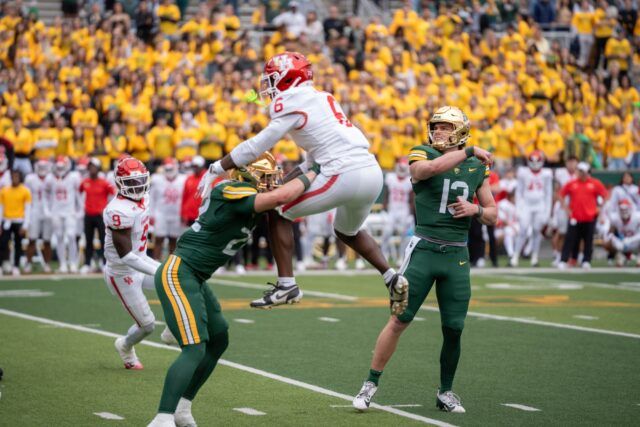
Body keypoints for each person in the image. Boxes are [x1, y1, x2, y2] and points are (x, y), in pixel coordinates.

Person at [197, 52, 408, 312]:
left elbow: (257, 145)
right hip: (371, 172)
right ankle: (391, 277)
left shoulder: (290, 101)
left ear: (288, 79)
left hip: (343, 171)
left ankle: (287, 285)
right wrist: (285, 183)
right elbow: (311, 161)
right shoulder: (323, 98)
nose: (268, 86)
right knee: (347, 231)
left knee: (277, 210)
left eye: (273, 79)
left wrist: (218, 166)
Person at [146, 153, 319, 427]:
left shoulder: (249, 194)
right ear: (246, 174)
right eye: (264, 176)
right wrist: (314, 173)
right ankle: (162, 418)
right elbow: (278, 197)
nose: (269, 182)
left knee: (218, 340)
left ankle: (182, 406)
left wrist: (308, 165)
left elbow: (282, 193)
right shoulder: (230, 189)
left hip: (196, 277)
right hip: (179, 272)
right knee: (194, 348)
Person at [352, 106, 496, 414]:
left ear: (459, 130)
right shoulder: (422, 152)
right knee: (399, 319)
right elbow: (422, 172)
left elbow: (493, 213)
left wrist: (477, 211)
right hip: (424, 250)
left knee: (454, 327)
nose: (439, 132)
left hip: (457, 254)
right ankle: (370, 383)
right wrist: (469, 150)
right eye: (437, 126)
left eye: (445, 127)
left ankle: (446, 392)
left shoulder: (476, 166)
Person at [103, 157, 175, 370]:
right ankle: (125, 345)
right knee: (147, 325)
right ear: (119, 183)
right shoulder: (117, 210)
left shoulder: (144, 196)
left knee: (174, 282)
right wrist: (159, 269)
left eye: (140, 181)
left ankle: (172, 329)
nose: (137, 187)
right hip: (122, 272)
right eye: (131, 183)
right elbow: (126, 256)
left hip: (141, 260)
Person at [558, 162, 608, 269]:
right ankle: (564, 259)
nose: (580, 173)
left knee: (588, 240)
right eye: (579, 171)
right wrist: (566, 209)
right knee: (570, 239)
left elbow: (605, 195)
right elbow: (561, 194)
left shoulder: (595, 183)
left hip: (589, 217)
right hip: (575, 217)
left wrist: (599, 208)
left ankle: (586, 260)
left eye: (582, 171)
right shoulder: (572, 183)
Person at [510, 150, 553, 267]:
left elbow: (548, 193)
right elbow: (519, 191)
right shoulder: (523, 172)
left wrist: (547, 212)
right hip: (526, 204)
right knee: (523, 230)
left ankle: (534, 257)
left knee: (537, 231)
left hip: (540, 205)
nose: (534, 164)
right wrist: (518, 208)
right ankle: (515, 256)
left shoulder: (547, 173)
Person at [79, 157, 116, 273]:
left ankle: (105, 263)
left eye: (94, 167)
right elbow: (78, 194)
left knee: (103, 240)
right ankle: (87, 263)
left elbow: (115, 194)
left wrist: (107, 209)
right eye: (90, 167)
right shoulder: (85, 182)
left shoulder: (104, 183)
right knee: (88, 240)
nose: (92, 169)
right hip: (88, 215)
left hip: (100, 216)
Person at [46, 156, 82, 273]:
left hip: (69, 211)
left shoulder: (73, 177)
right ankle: (62, 263)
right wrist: (48, 210)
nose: (60, 169)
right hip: (56, 211)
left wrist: (80, 209)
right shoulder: (50, 178)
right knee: (59, 237)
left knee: (71, 236)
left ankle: (72, 262)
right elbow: (46, 196)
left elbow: (78, 195)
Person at [151, 158, 186, 260]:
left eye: (171, 169)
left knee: (174, 240)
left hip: (176, 214)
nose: (169, 172)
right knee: (158, 239)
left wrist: (184, 213)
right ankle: (156, 262)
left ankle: (171, 264)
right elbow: (152, 197)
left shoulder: (183, 179)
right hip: (161, 213)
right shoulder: (156, 179)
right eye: (167, 169)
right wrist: (151, 214)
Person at [0, 170, 32, 276]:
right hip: (7, 220)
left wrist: (25, 224)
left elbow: (27, 209)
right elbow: (1, 208)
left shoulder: (25, 191)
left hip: (19, 221)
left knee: (18, 245)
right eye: (13, 176)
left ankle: (16, 266)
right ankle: (2, 265)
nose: (15, 178)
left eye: (17, 176)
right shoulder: (4, 191)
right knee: (3, 244)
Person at [24, 159, 53, 273]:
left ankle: (47, 264)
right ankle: (28, 264)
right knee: (32, 239)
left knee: (47, 240)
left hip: (48, 210)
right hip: (34, 209)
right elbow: (27, 195)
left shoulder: (51, 178)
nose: (42, 169)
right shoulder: (30, 178)